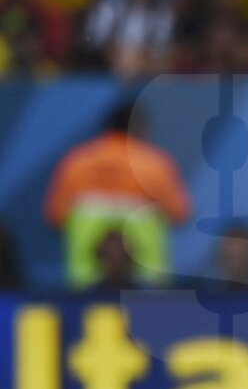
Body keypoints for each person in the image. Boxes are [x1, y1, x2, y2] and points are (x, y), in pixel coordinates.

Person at [43, 100, 192, 289]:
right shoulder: (155, 164)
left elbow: (54, 216)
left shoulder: (76, 161)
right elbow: (180, 213)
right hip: (146, 281)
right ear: (138, 127)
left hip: (85, 280)